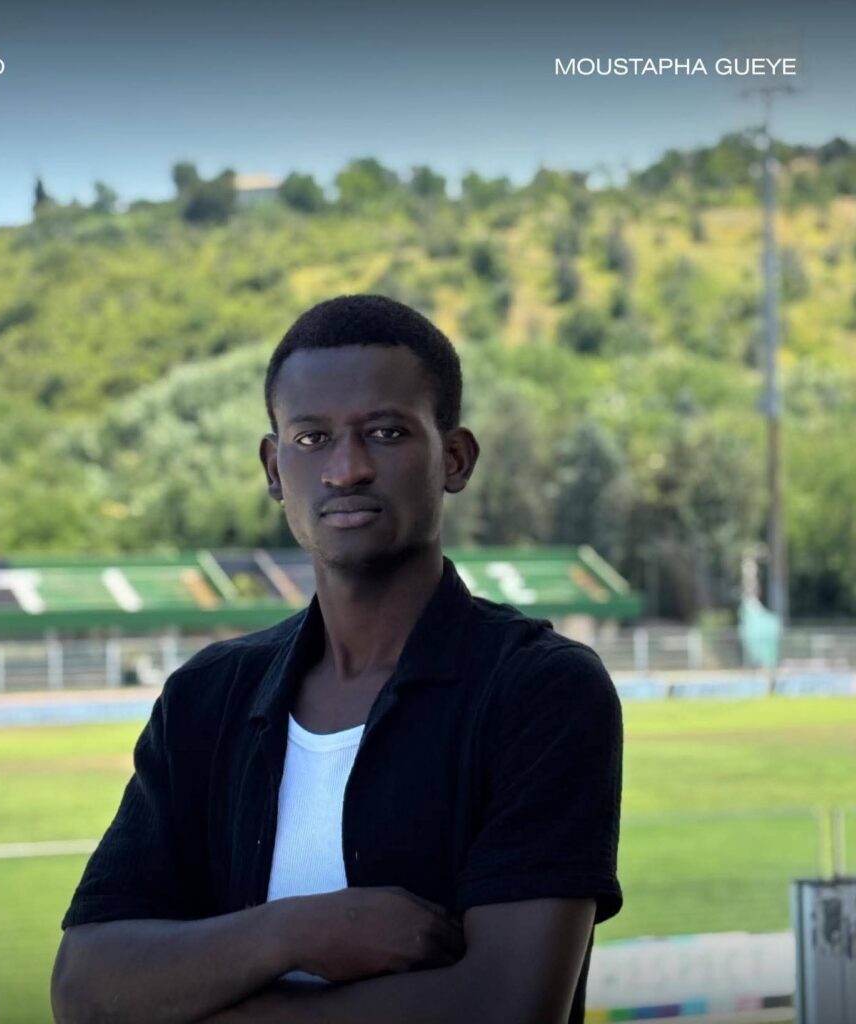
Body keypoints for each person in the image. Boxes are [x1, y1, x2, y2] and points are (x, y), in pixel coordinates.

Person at [51, 294, 623, 1024]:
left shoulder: (539, 690)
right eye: (312, 438)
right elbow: (85, 989)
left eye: (386, 433)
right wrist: (300, 930)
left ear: (455, 458)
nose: (347, 469)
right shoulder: (206, 698)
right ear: (273, 466)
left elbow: (506, 1008)